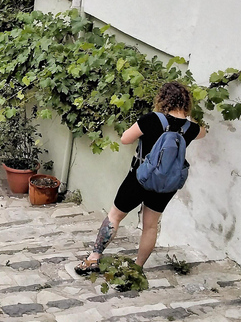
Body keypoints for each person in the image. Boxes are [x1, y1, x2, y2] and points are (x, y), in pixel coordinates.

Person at [75, 81, 206, 274]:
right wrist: (188, 118)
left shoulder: (152, 119)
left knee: (115, 216)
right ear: (186, 102)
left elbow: (125, 138)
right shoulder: (191, 128)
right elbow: (203, 132)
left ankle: (94, 258)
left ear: (163, 99)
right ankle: (137, 268)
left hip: (139, 178)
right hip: (166, 185)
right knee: (150, 226)